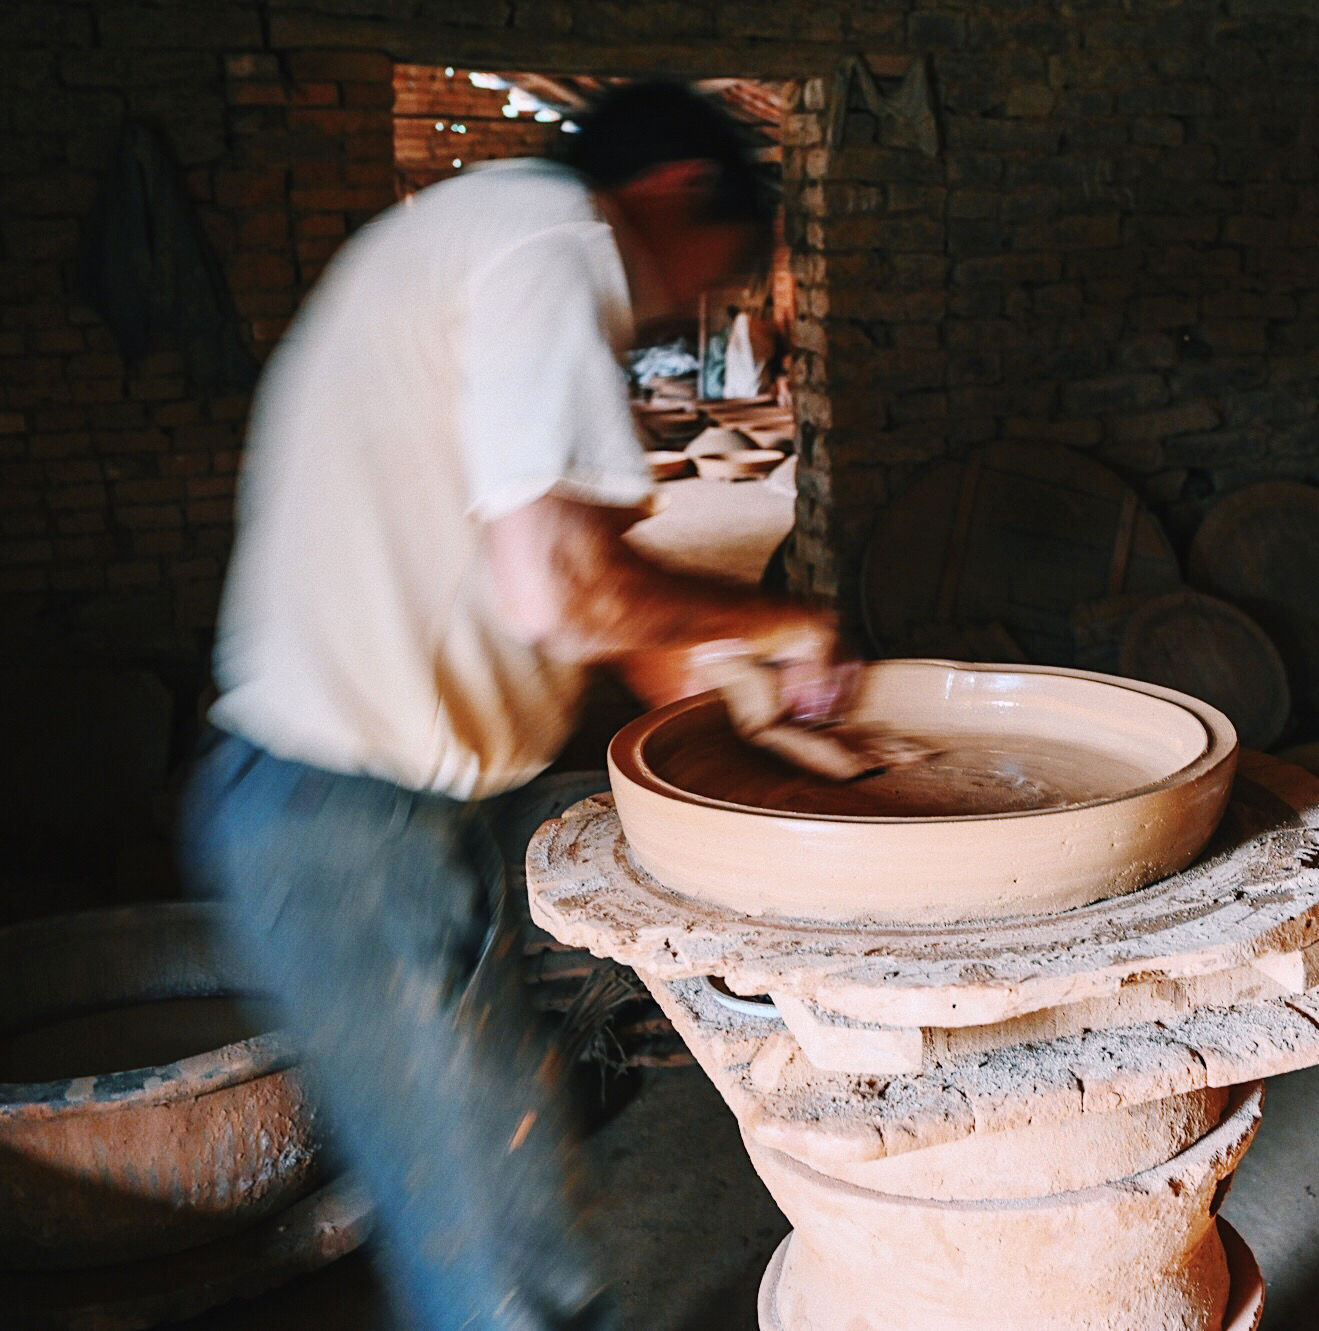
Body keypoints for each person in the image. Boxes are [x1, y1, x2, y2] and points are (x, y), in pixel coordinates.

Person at [179, 82, 844, 1330]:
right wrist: (775, 625)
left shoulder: (474, 237)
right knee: (501, 1256)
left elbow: (612, 617)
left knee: (508, 1181)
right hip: (348, 826)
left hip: (366, 810)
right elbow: (561, 588)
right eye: (721, 266)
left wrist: (768, 724)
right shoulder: (551, 239)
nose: (693, 302)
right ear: (678, 195)